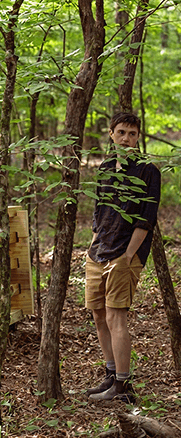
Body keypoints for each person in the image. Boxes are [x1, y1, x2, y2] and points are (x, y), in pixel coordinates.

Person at [85, 111, 160, 404]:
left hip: (124, 255)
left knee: (117, 316)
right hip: (98, 251)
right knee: (98, 314)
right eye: (122, 133)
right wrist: (91, 248)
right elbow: (98, 212)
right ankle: (110, 373)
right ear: (111, 134)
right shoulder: (105, 168)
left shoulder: (148, 171)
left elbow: (146, 219)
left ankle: (123, 387)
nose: (127, 139)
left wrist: (128, 256)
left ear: (138, 136)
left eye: (132, 133)